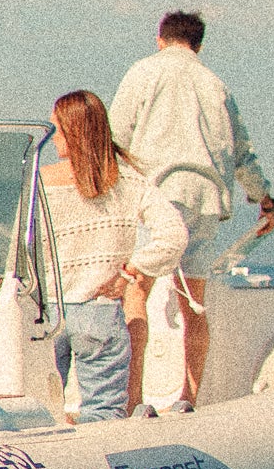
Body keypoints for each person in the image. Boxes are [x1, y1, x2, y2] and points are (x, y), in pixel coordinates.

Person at [108, 11, 274, 403]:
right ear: (199, 45)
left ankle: (133, 398)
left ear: (159, 39)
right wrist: (264, 199)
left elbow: (115, 138)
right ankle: (190, 397)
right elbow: (243, 156)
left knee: (138, 291)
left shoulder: (143, 72)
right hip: (206, 198)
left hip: (158, 196)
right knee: (194, 303)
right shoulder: (216, 85)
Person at [40, 89, 188, 424]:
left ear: (72, 132)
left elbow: (17, 247)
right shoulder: (131, 182)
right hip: (99, 313)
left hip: (45, 312)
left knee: (42, 417)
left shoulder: (38, 181)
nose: (53, 139)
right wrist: (130, 272)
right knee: (104, 418)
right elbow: (174, 237)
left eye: (57, 130)